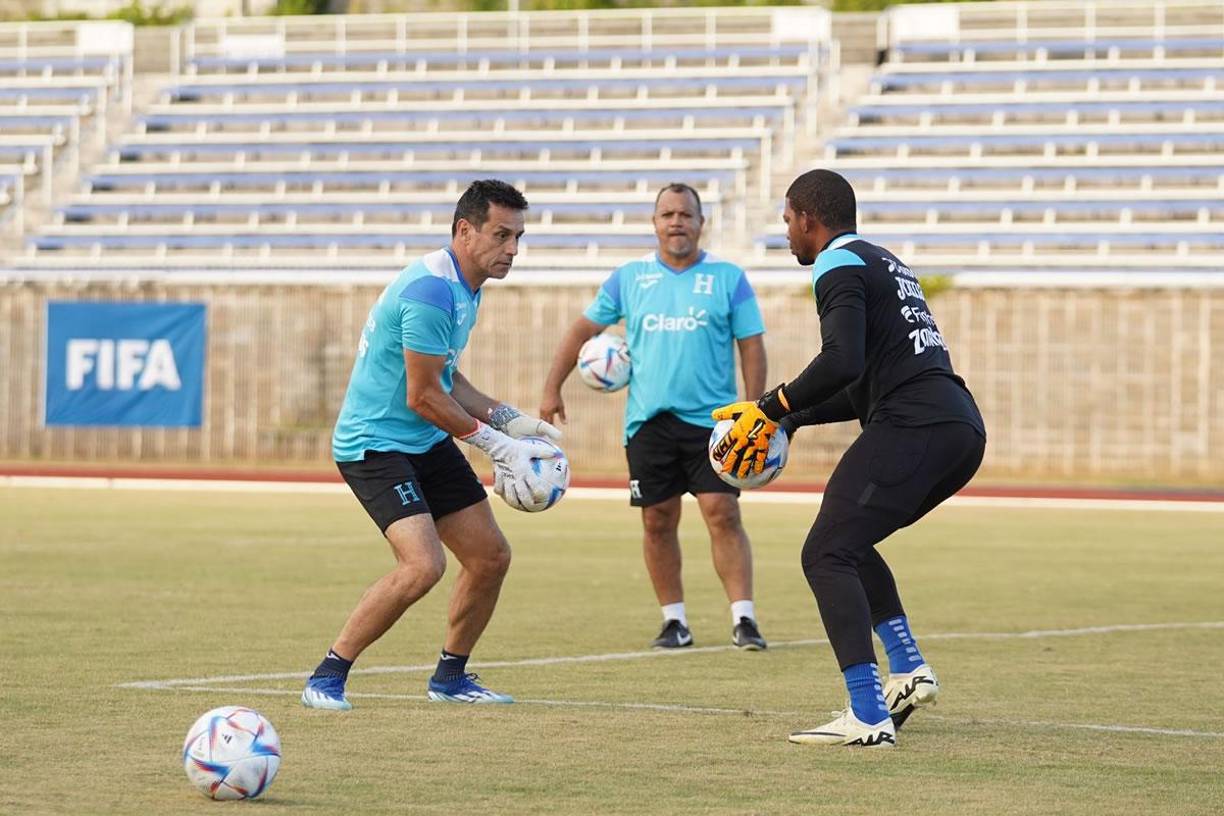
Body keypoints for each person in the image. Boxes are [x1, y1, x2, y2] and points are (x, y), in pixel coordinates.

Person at [711, 169, 987, 747]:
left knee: (826, 552)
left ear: (809, 218)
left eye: (788, 221)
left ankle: (867, 712)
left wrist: (768, 406)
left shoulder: (836, 264)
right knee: (850, 543)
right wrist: (787, 416)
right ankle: (908, 669)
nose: (786, 233)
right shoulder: (883, 260)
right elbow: (859, 379)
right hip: (956, 425)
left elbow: (840, 361)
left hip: (916, 424)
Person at [301, 179, 563, 710]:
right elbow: (423, 396)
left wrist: (513, 422)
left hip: (423, 440)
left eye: (519, 237)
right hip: (375, 445)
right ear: (465, 231)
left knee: (490, 557)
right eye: (501, 235)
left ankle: (450, 679)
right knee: (423, 566)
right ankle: (327, 676)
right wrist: (495, 446)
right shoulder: (430, 291)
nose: (512, 249)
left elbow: (448, 379)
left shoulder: (466, 285)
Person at [540, 183, 770, 651]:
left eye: (685, 214)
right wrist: (551, 387)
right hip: (648, 423)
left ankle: (743, 618)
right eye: (667, 214)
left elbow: (751, 345)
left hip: (716, 424)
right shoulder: (629, 278)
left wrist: (756, 410)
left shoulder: (729, 278)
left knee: (722, 512)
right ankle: (674, 622)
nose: (676, 222)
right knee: (657, 521)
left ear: (701, 222)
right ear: (655, 223)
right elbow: (584, 329)